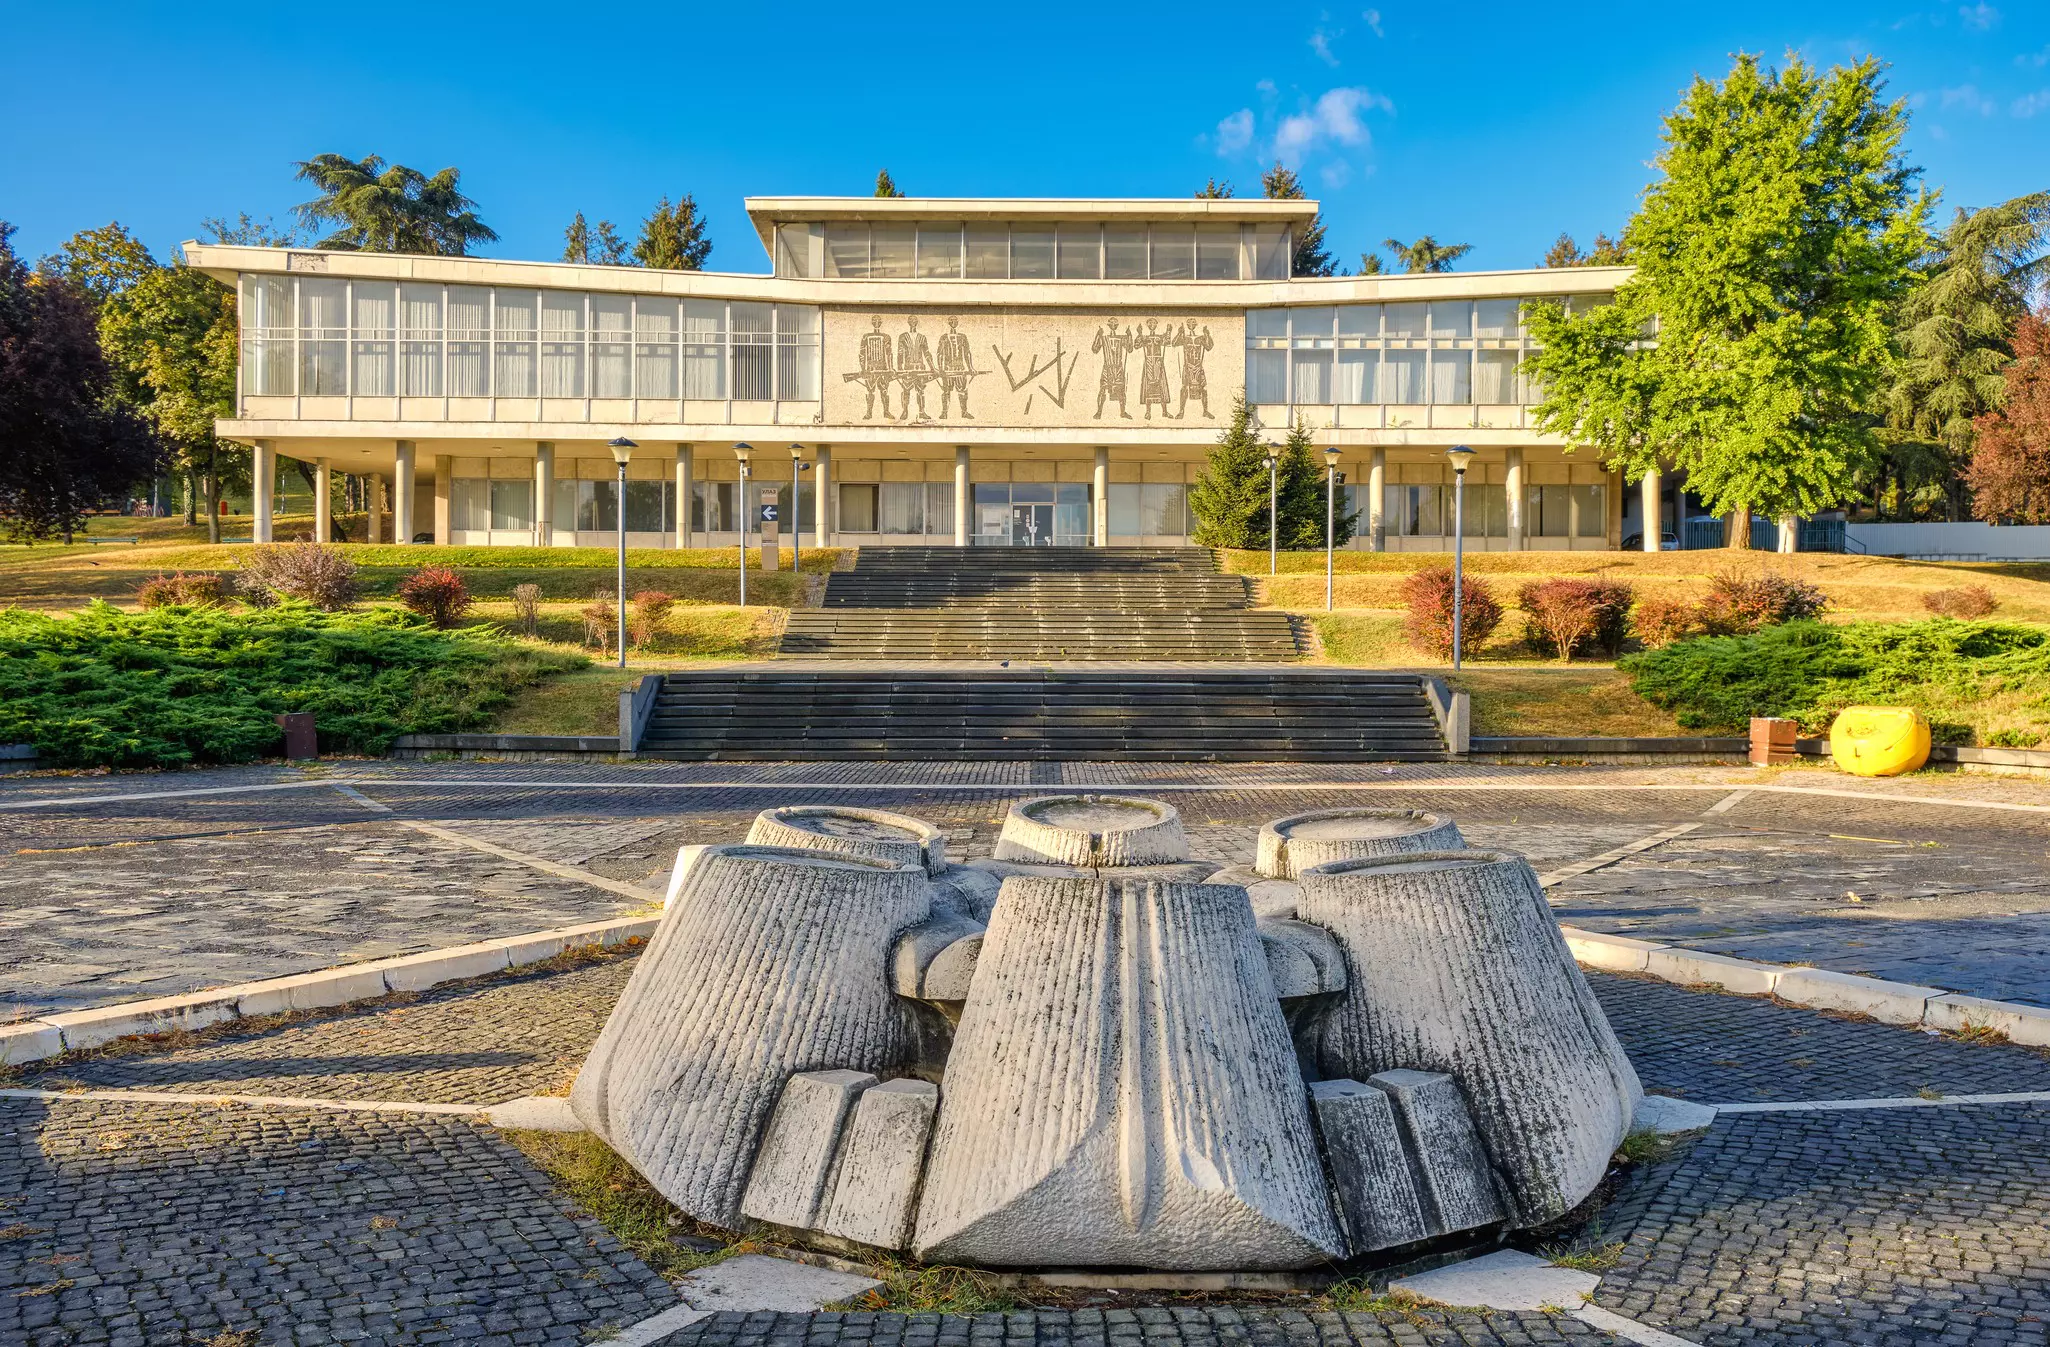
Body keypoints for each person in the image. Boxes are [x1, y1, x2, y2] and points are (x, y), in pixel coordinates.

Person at [853, 314, 896, 420]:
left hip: (883, 368)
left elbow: (889, 353)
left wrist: (890, 368)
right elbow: (862, 353)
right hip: (870, 369)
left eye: (878, 320)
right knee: (870, 391)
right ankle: (869, 413)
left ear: (881, 322)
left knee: (884, 390)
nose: (876, 322)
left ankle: (886, 412)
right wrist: (863, 368)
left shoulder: (886, 336)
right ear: (872, 322)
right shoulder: (866, 336)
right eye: (874, 320)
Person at [895, 316, 936, 421]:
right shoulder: (903, 336)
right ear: (908, 322)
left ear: (917, 322)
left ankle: (922, 412)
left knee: (921, 390)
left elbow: (927, 353)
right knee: (906, 390)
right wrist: (899, 368)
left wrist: (933, 367)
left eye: (915, 320)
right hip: (908, 368)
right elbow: (900, 353)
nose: (913, 322)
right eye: (911, 320)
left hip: (920, 368)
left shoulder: (922, 337)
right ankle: (905, 411)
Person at [1092, 318, 1133, 420]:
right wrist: (1098, 335)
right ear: (1108, 324)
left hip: (1118, 368)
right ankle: (1099, 412)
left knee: (1121, 391)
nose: (1113, 324)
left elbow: (1130, 349)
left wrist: (1129, 335)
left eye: (1115, 323)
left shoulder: (1121, 338)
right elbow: (1095, 349)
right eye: (1111, 323)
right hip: (1107, 368)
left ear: (1118, 325)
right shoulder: (1104, 337)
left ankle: (1123, 413)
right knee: (1103, 389)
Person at [935, 316, 975, 418]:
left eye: (956, 320)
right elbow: (939, 354)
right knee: (946, 391)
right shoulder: (944, 337)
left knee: (962, 391)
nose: (954, 322)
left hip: (960, 369)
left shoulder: (962, 337)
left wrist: (971, 367)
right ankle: (944, 412)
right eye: (952, 321)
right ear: (948, 322)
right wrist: (940, 369)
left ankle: (964, 412)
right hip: (947, 369)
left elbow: (967, 353)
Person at [1173, 321, 1214, 420]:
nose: (1191, 325)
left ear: (1196, 325)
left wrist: (1207, 335)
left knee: (1203, 388)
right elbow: (1174, 343)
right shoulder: (1185, 338)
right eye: (1189, 324)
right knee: (1184, 388)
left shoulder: (1200, 338)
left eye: (1193, 323)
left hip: (1198, 366)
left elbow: (1209, 347)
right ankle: (1181, 411)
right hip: (1188, 366)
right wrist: (1179, 333)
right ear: (1187, 325)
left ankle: (1205, 411)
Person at [1134, 317, 1173, 420]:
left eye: (1154, 323)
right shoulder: (1145, 337)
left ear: (1156, 324)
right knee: (1148, 386)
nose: (1152, 325)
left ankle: (1164, 411)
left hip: (1158, 362)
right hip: (1148, 362)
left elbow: (1167, 342)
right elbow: (1136, 345)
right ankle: (1148, 412)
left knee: (1161, 385)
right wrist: (1139, 334)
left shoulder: (1160, 337)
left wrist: (1169, 331)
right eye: (1150, 323)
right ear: (1147, 325)